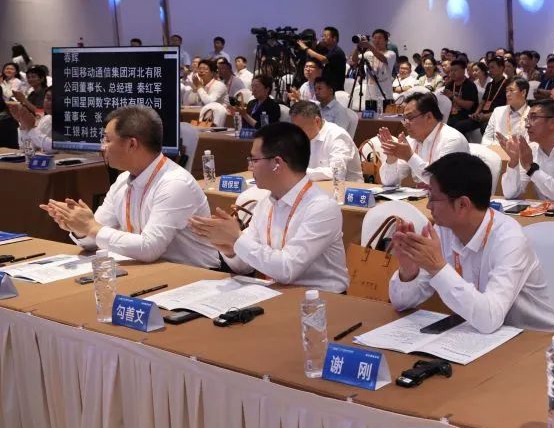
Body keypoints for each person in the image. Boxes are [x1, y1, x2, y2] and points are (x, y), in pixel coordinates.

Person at [387, 152, 554, 329]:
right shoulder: (442, 230)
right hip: (478, 335)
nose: (428, 205)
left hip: (533, 337)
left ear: (462, 204)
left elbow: (489, 319)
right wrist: (408, 270)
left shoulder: (509, 239)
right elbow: (400, 303)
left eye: (433, 198)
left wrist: (437, 267)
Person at [39, 105, 219, 267]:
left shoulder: (174, 184)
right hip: (149, 270)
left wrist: (91, 227)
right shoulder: (123, 180)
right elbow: (95, 236)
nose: (102, 147)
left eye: (107, 139)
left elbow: (149, 248)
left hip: (193, 275)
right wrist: (78, 228)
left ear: (132, 144)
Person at [190, 122, 348, 292]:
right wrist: (228, 247)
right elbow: (244, 267)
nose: (250, 167)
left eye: (254, 160)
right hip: (277, 293)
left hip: (323, 299)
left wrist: (237, 238)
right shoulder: (266, 202)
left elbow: (287, 270)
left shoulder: (321, 207)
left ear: (277, 163)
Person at [375, 91, 469, 186]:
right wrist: (392, 159)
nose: (405, 124)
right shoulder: (411, 140)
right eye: (404, 119)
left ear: (429, 117)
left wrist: (410, 156)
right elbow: (388, 182)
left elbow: (440, 182)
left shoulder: (452, 140)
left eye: (410, 118)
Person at [288, 99, 361, 182]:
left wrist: (300, 173)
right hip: (313, 187)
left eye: (300, 128)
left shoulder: (337, 136)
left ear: (317, 121)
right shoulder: (299, 137)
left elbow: (337, 173)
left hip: (346, 188)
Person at [348, 29, 397, 109]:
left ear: (386, 41)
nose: (377, 40)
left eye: (380, 38)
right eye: (375, 38)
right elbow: (354, 60)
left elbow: (383, 58)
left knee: (386, 117)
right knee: (371, 116)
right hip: (370, 97)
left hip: (386, 96)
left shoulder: (391, 53)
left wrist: (369, 46)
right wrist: (358, 46)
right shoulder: (368, 54)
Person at [297, 26, 348, 91]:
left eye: (325, 36)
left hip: (335, 91)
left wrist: (305, 48)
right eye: (322, 36)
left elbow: (324, 60)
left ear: (334, 38)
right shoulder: (328, 50)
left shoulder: (337, 51)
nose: (323, 38)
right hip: (327, 89)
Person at [482, 79, 530, 144]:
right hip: (494, 148)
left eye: (511, 90)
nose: (508, 94)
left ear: (523, 92)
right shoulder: (498, 111)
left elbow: (531, 144)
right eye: (506, 91)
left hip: (518, 150)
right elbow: (487, 137)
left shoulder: (531, 115)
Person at [442, 59, 480, 135]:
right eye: (451, 70)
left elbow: (468, 106)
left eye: (455, 70)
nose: (452, 73)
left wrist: (453, 97)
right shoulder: (449, 84)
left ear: (463, 71)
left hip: (467, 115)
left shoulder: (470, 85)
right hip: (451, 114)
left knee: (456, 125)